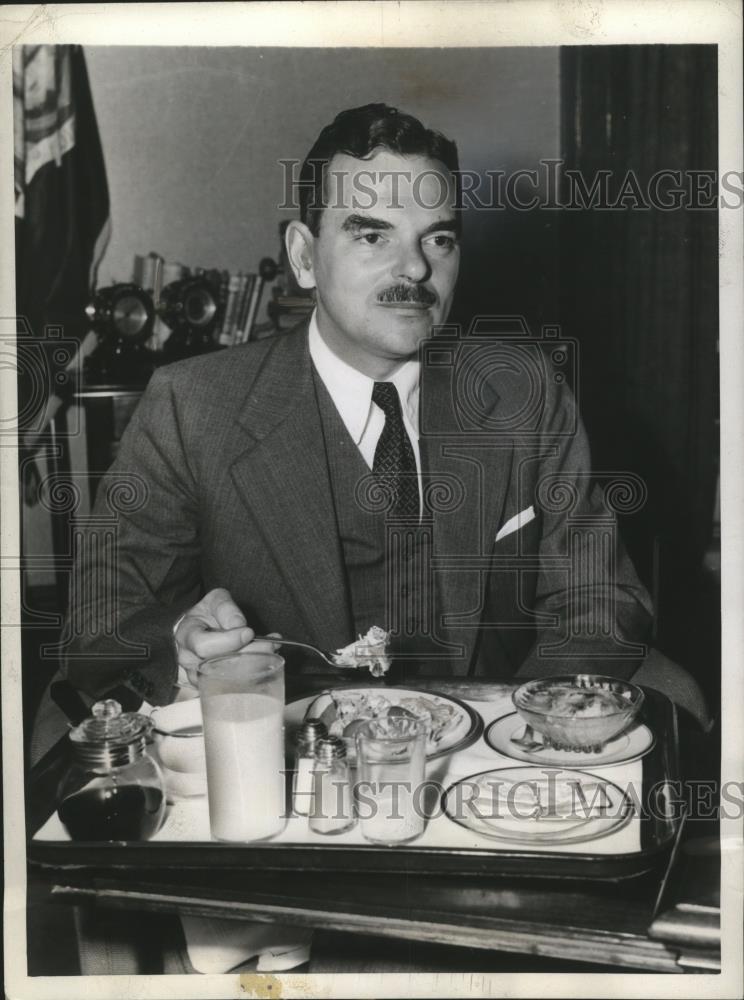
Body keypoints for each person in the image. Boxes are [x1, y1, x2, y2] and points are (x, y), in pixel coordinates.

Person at [32, 103, 707, 761]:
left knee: (677, 698)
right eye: (372, 235)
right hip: (285, 748)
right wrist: (182, 639)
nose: (415, 270)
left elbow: (597, 595)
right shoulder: (192, 407)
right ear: (303, 256)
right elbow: (102, 620)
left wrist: (541, 716)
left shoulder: (522, 390)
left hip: (490, 736)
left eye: (438, 239)